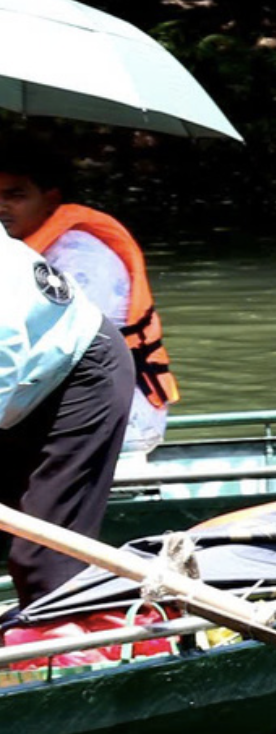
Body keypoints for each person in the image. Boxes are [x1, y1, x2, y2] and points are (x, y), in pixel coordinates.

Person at [0, 146, 176, 463]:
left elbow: (50, 354)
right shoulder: (19, 252)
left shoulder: (80, 259)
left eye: (15, 195)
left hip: (107, 419)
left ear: (51, 199)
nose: (1, 207)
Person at [0, 225, 134, 607]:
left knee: (43, 559)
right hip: (21, 388)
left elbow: (2, 352)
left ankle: (67, 653)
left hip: (79, 376)